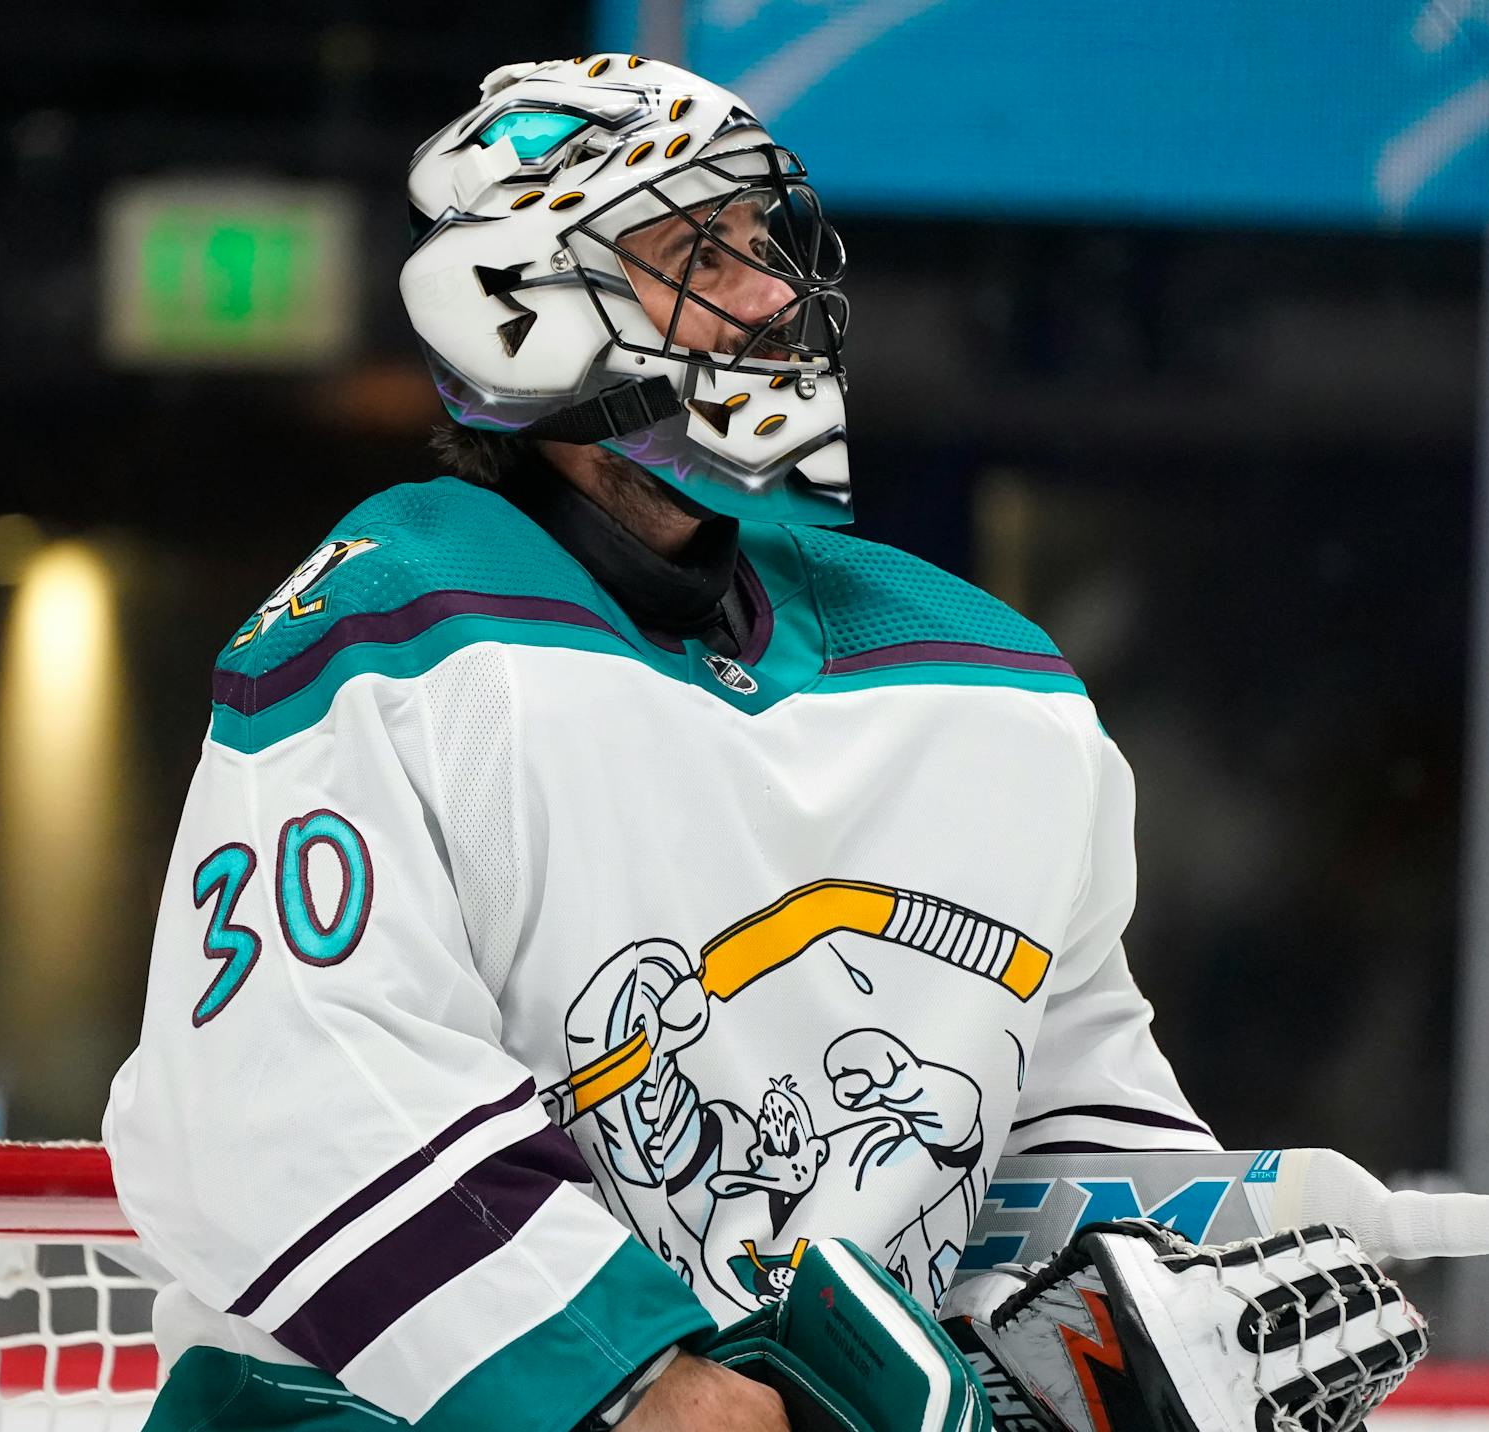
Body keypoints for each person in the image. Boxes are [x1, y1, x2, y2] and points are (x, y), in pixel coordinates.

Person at [105, 57, 1239, 1432]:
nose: (766, 293)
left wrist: (1182, 1305)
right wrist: (654, 1392)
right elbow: (281, 1097)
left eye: (763, 243)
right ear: (516, 312)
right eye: (692, 249)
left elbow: (1062, 1122)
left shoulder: (991, 686)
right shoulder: (391, 636)